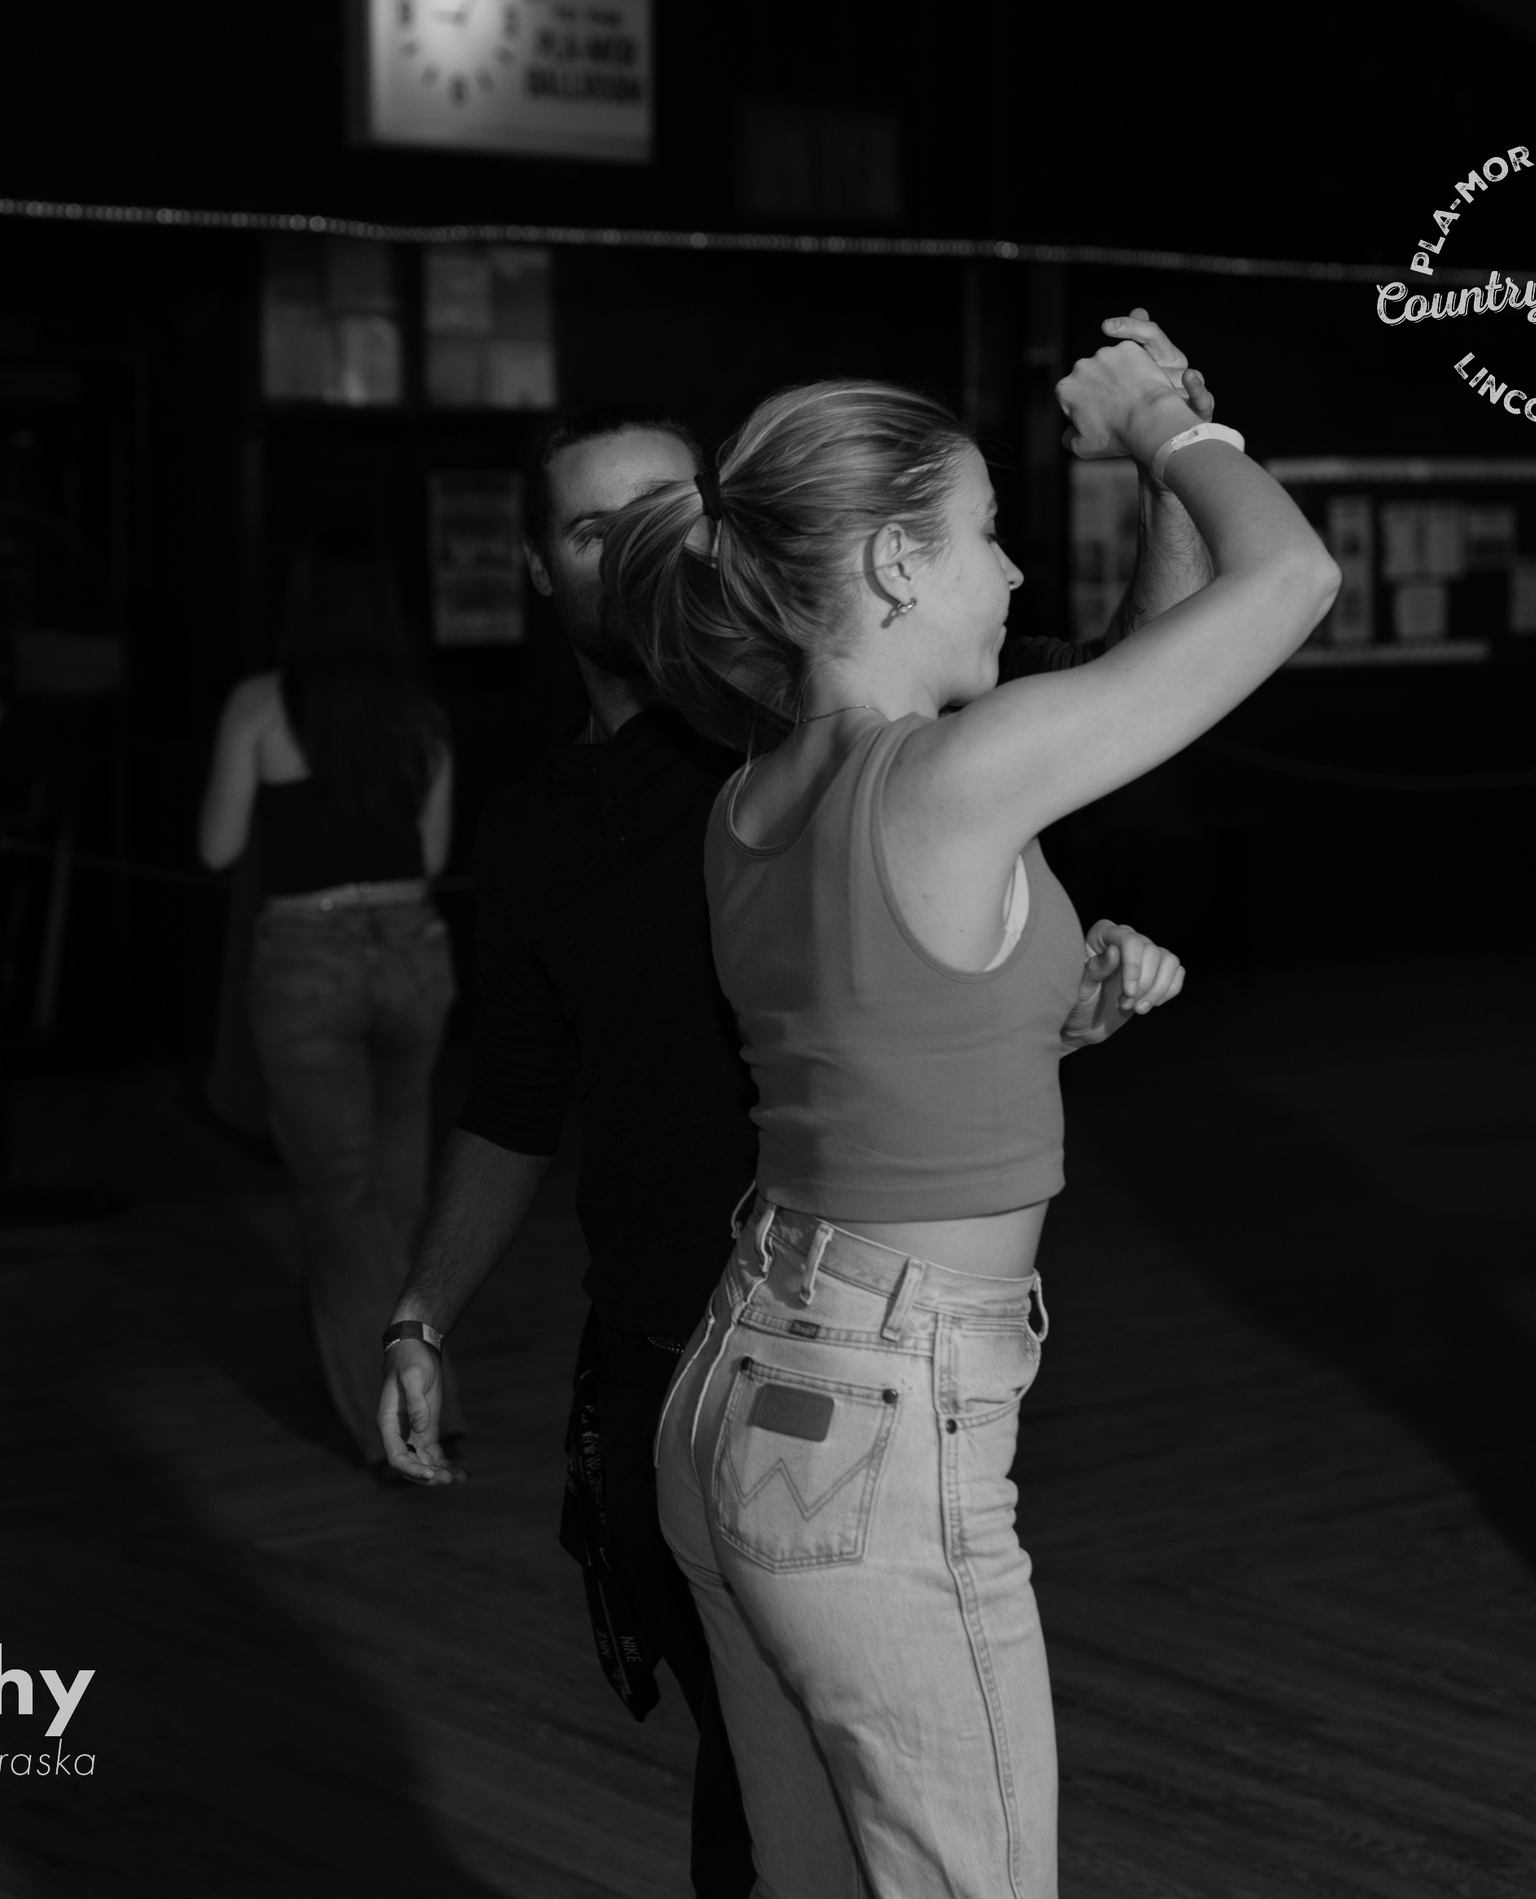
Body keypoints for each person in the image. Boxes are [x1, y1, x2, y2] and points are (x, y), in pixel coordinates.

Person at [373, 361, 1222, 1896]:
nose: (642, 540)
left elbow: (1124, 676)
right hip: (703, 1357)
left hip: (807, 1350)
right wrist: (423, 1307)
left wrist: (1046, 1003)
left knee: (792, 1840)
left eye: (668, 503)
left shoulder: (802, 744)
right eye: (593, 526)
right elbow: (513, 1101)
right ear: (539, 565)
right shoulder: (572, 819)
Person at [598, 318, 1333, 1892]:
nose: (1010, 571)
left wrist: (1048, 1015)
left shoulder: (752, 800)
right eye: (987, 534)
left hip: (743, 1384)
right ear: (892, 563)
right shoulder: (941, 781)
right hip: (875, 1423)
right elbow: (1291, 581)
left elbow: (879, 1054)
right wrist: (1165, 429)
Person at [198, 537, 458, 1468]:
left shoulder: (259, 704)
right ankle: (426, 1398)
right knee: (399, 1193)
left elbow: (216, 846)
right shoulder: (421, 713)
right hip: (414, 950)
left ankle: (395, 1427)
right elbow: (432, 857)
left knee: (342, 1198)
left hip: (307, 959)